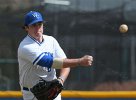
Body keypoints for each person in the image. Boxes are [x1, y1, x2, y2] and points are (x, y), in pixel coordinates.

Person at [17, 11, 93, 100]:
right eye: (34, 25)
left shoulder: (51, 40)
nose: (38, 28)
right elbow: (49, 62)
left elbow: (65, 64)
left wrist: (60, 80)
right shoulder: (25, 46)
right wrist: (79, 61)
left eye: (40, 24)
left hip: (53, 92)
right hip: (32, 94)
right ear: (26, 28)